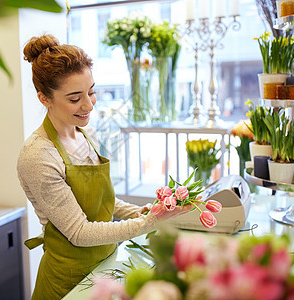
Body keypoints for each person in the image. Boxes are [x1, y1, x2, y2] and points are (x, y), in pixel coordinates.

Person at [17, 34, 192, 300]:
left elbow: (102, 202)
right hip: (68, 281)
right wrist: (147, 223)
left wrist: (142, 210)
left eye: (91, 92)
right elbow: (79, 232)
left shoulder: (86, 133)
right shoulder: (38, 156)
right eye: (75, 99)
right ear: (44, 98)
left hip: (105, 265)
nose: (88, 105)